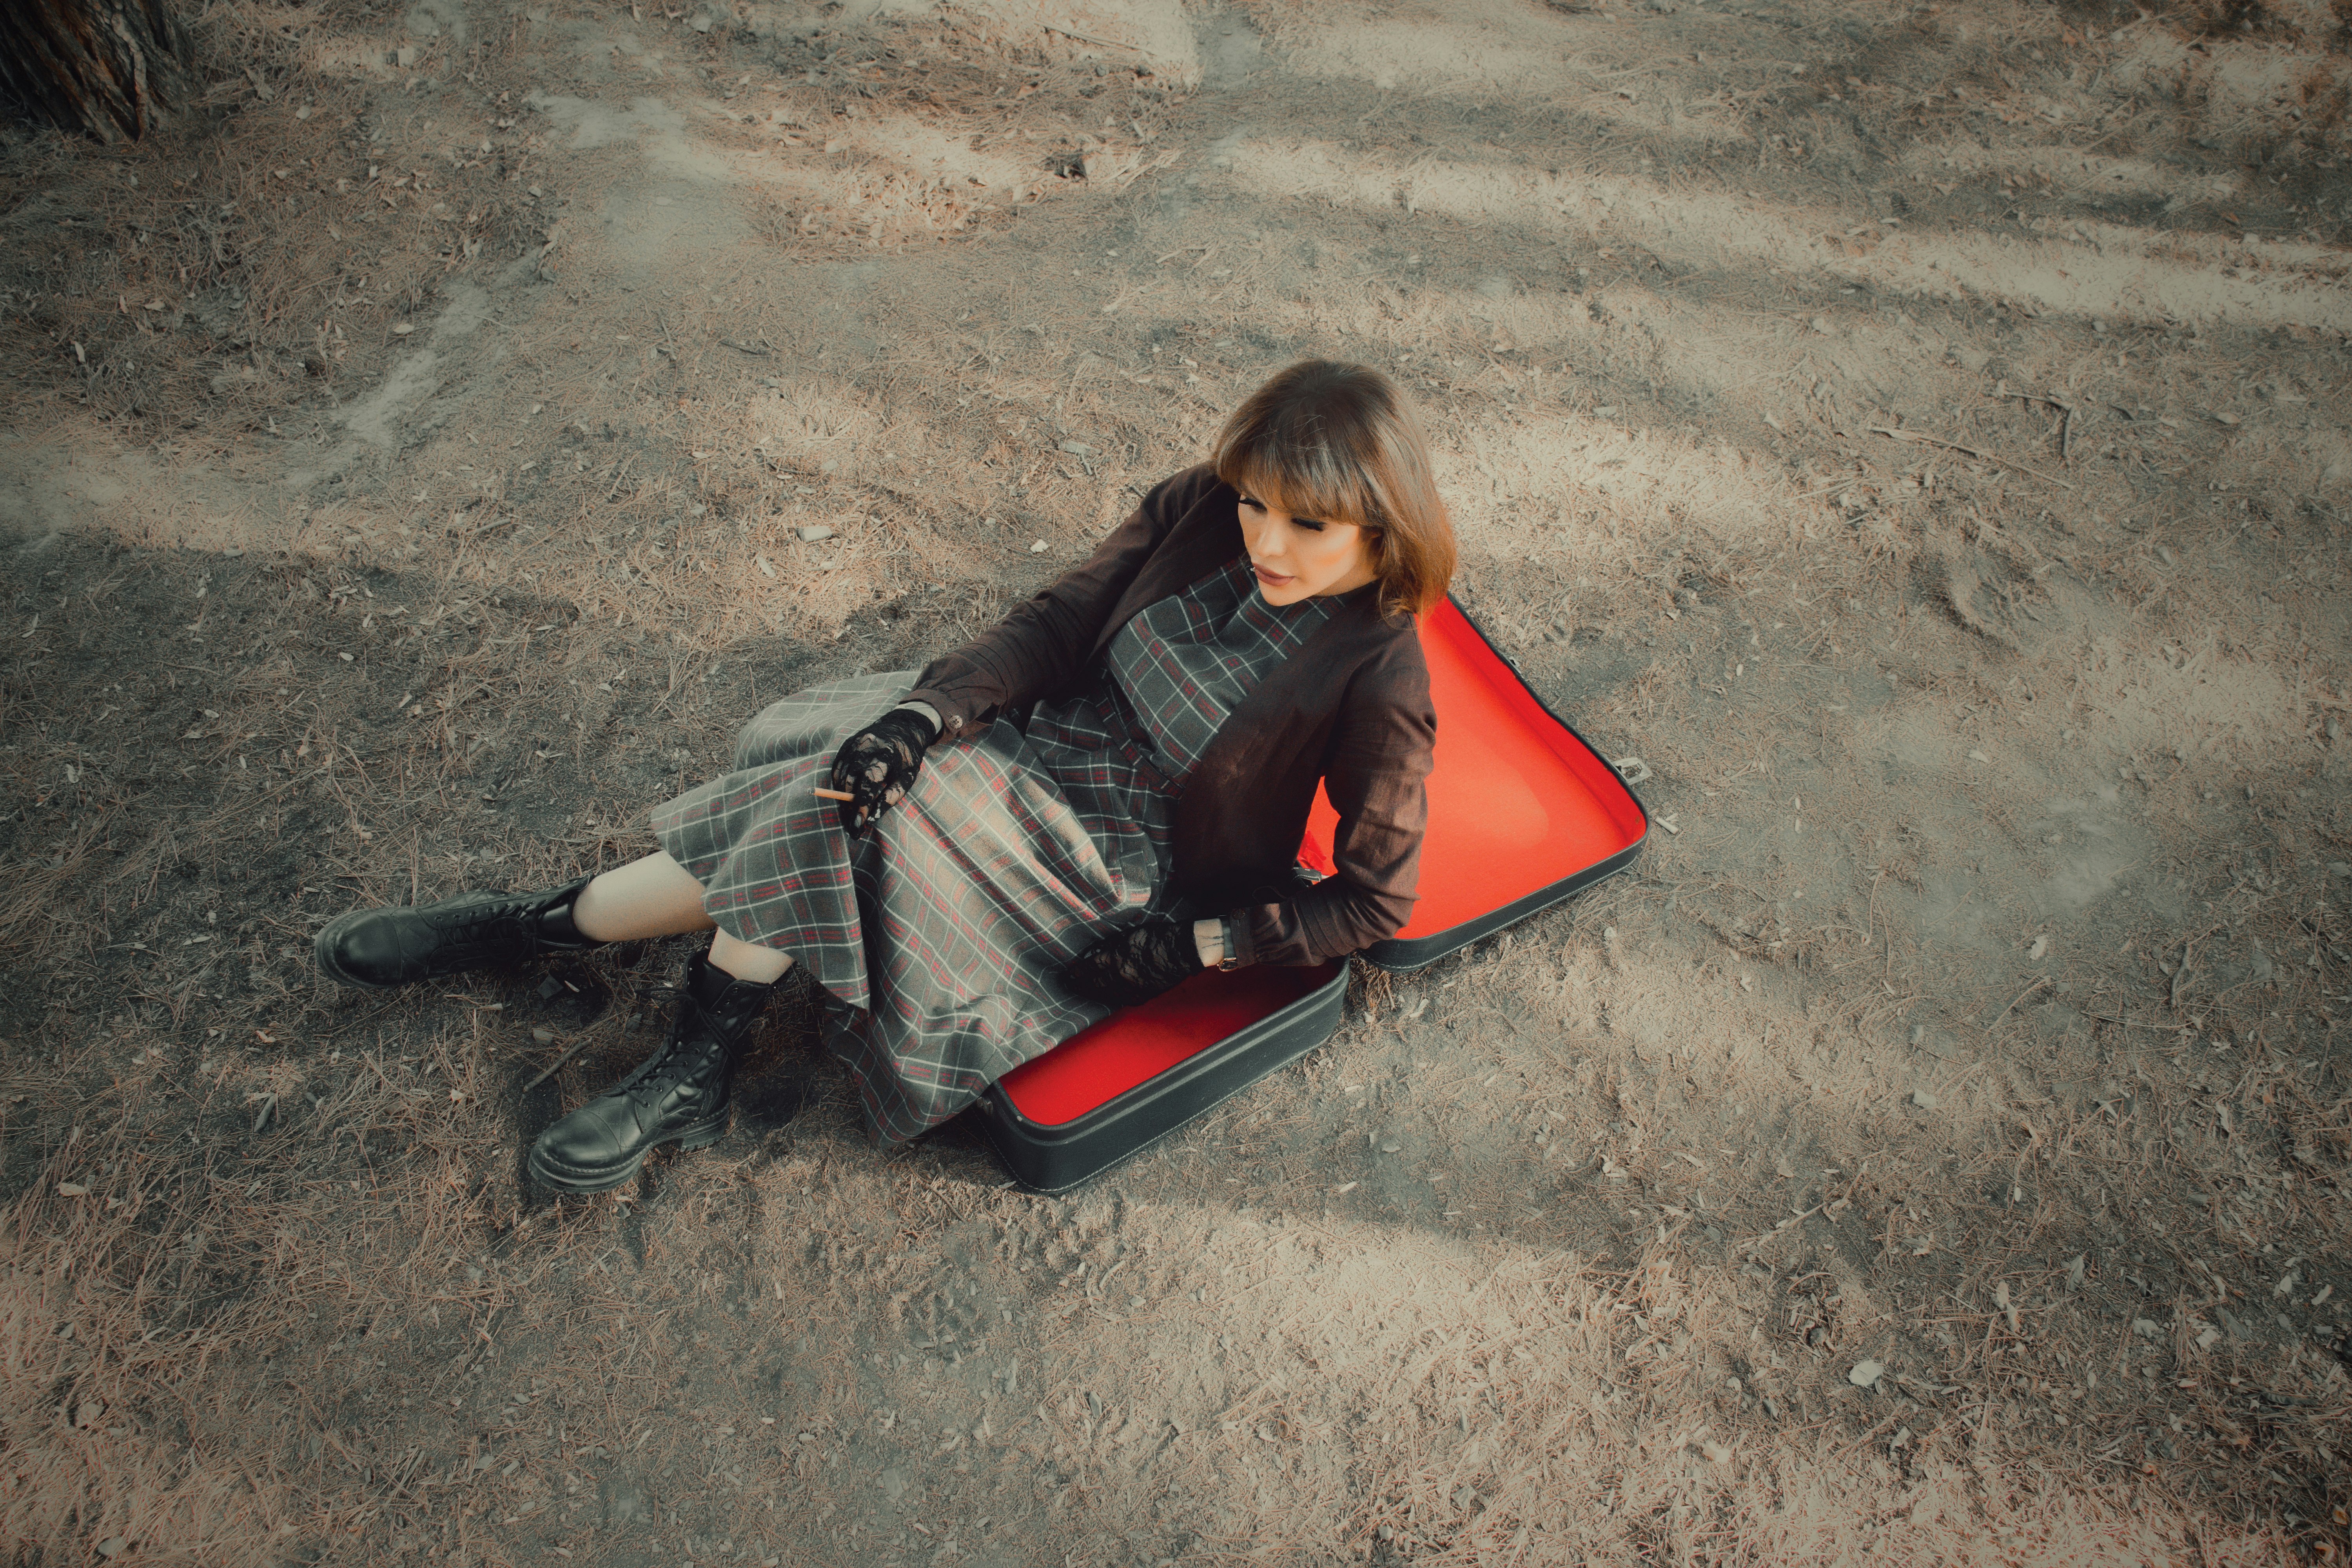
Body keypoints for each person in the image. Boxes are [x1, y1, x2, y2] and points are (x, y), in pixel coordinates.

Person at [314, 359, 1455, 1194]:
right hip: (1041, 737)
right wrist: (921, 717)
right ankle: (556, 942)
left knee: (871, 816)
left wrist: (1196, 949)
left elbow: (1373, 901)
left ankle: (674, 1050)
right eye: (1259, 502)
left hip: (1118, 859)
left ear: (1381, 527)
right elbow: (1059, 627)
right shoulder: (1201, 508)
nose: (1268, 540)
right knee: (859, 770)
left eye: (1312, 525)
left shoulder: (1379, 676)